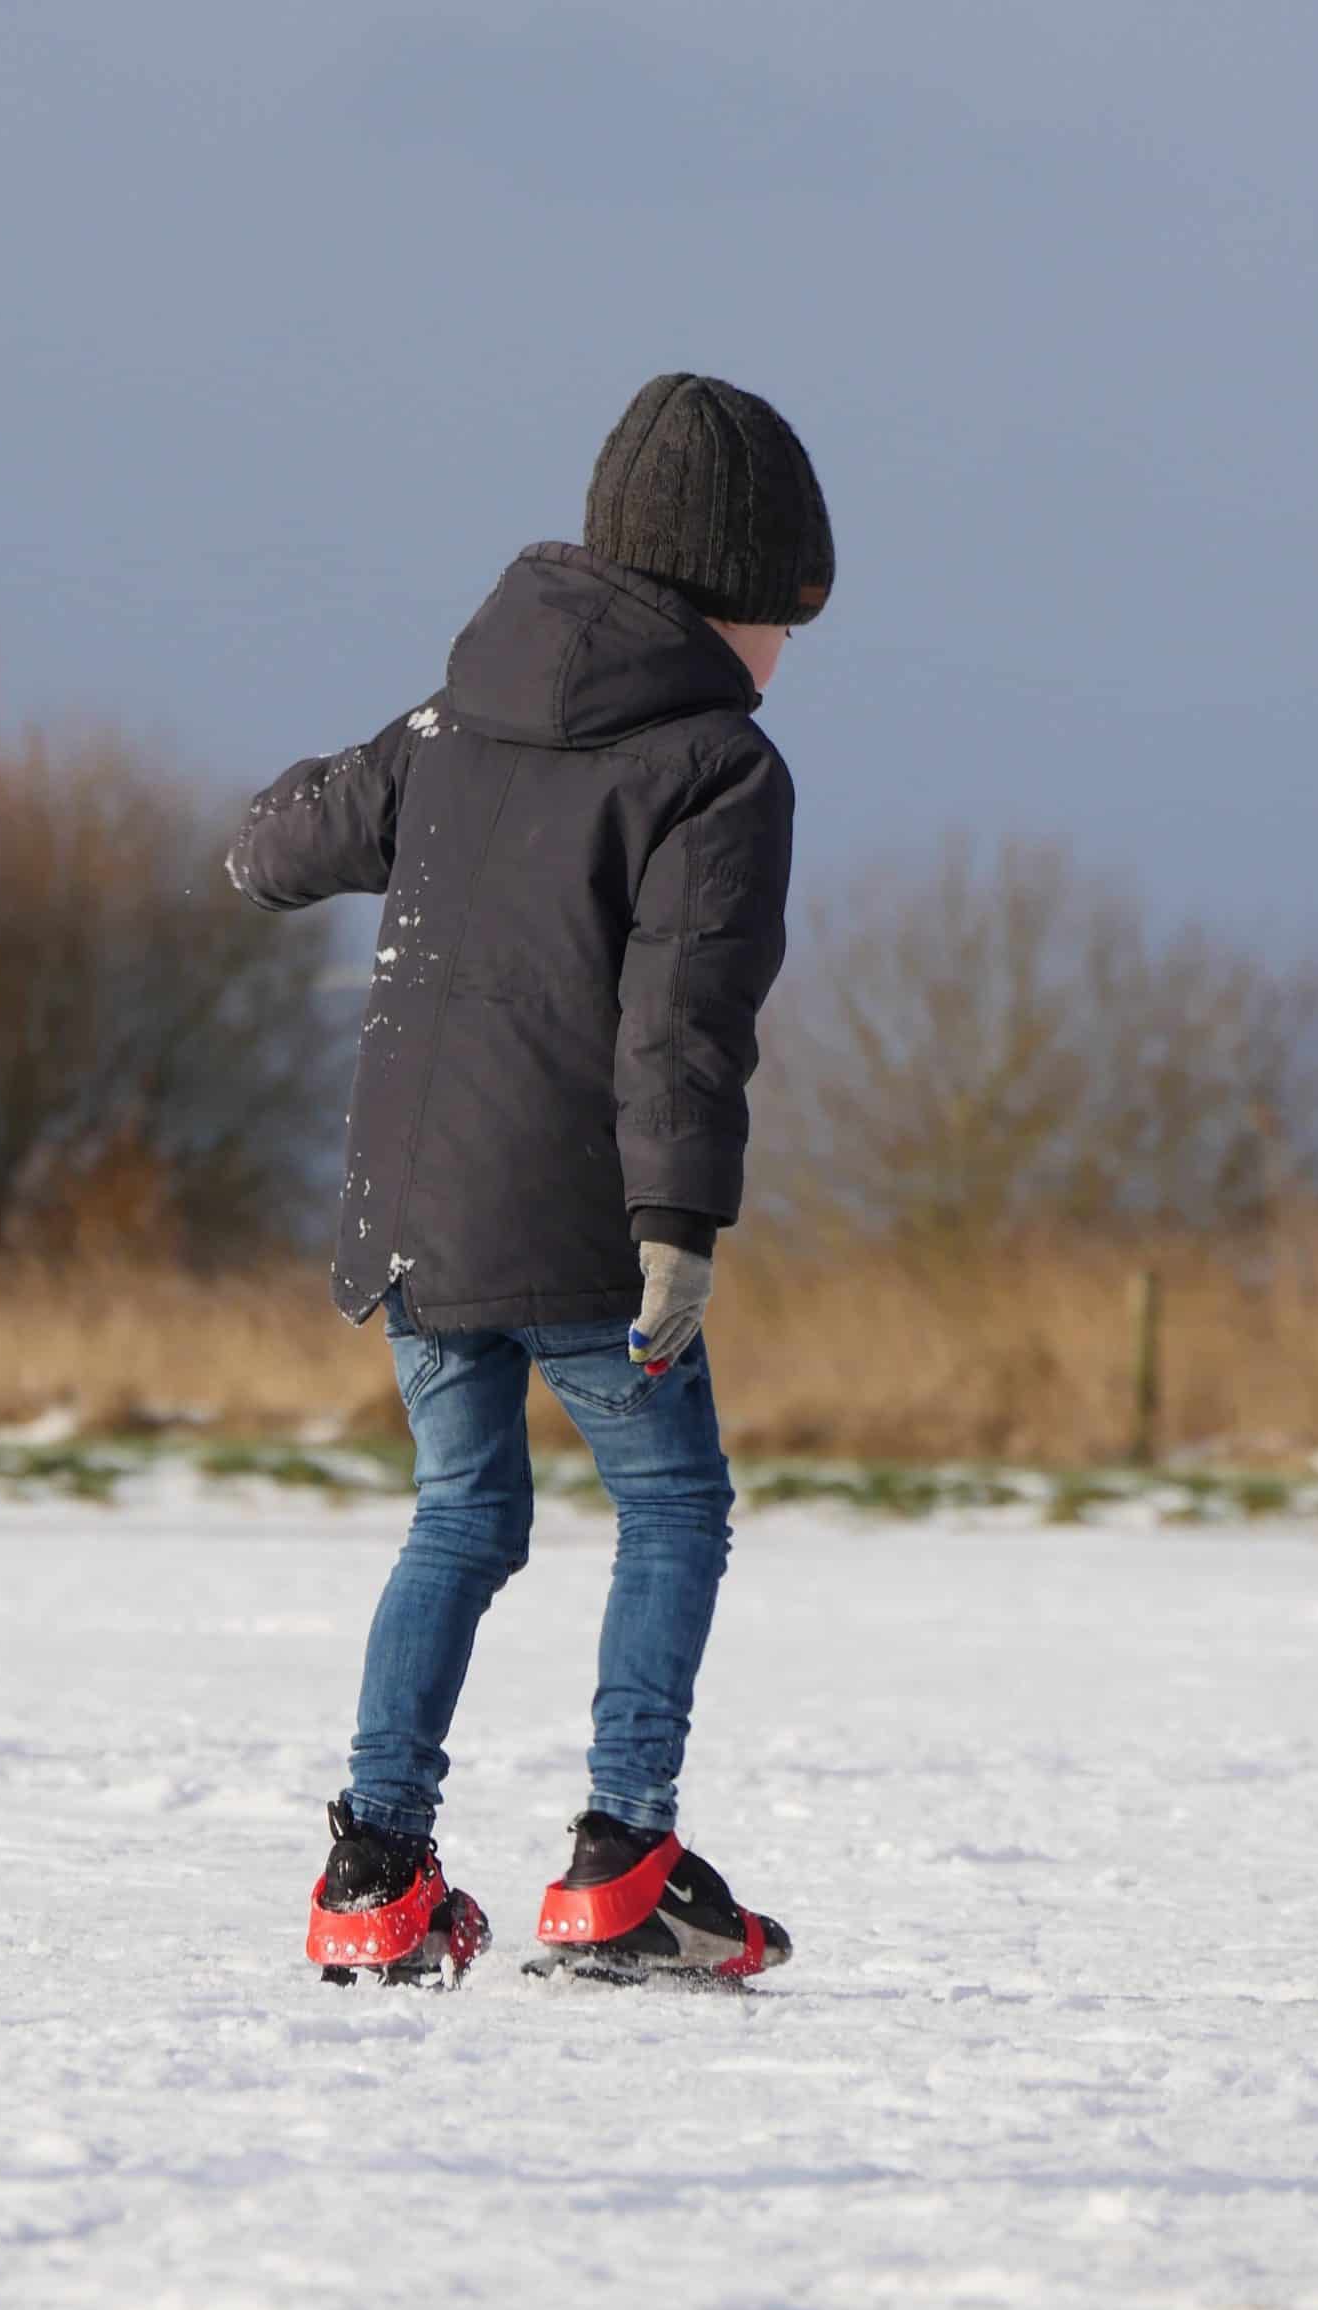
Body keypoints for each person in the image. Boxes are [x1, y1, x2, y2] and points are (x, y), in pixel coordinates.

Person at [229, 372, 833, 1988]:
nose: (786, 654)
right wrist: (675, 1225)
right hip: (577, 1223)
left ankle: (372, 1873)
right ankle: (623, 1862)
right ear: (723, 592)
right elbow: (681, 1020)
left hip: (411, 1216)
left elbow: (276, 846)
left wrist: (296, 822)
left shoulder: (451, 720)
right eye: (786, 618)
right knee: (671, 1503)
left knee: (460, 1515)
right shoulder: (714, 764)